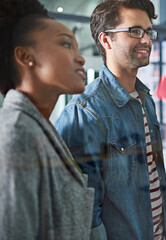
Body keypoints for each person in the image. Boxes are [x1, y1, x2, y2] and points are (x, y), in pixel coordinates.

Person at [54, 0, 166, 239]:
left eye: (148, 31)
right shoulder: (84, 113)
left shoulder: (145, 100)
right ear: (105, 40)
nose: (146, 40)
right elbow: (82, 216)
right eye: (135, 31)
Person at [0, 0, 94, 239]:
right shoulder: (16, 132)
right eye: (65, 44)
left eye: (76, 47)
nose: (80, 58)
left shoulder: (38, 125)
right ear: (25, 56)